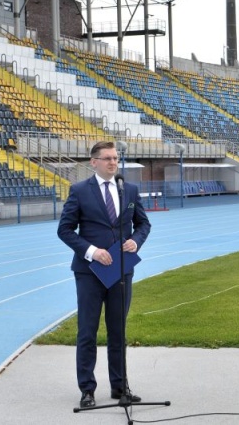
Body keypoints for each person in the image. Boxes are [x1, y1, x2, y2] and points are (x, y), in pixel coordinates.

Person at [57, 141, 151, 409]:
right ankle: (87, 389)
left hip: (121, 270)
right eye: (108, 158)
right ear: (94, 162)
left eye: (116, 158)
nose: (113, 162)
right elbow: (65, 230)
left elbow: (143, 224)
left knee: (118, 331)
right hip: (89, 272)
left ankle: (120, 387)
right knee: (87, 331)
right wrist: (91, 251)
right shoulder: (78, 191)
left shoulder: (129, 189)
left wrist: (136, 240)